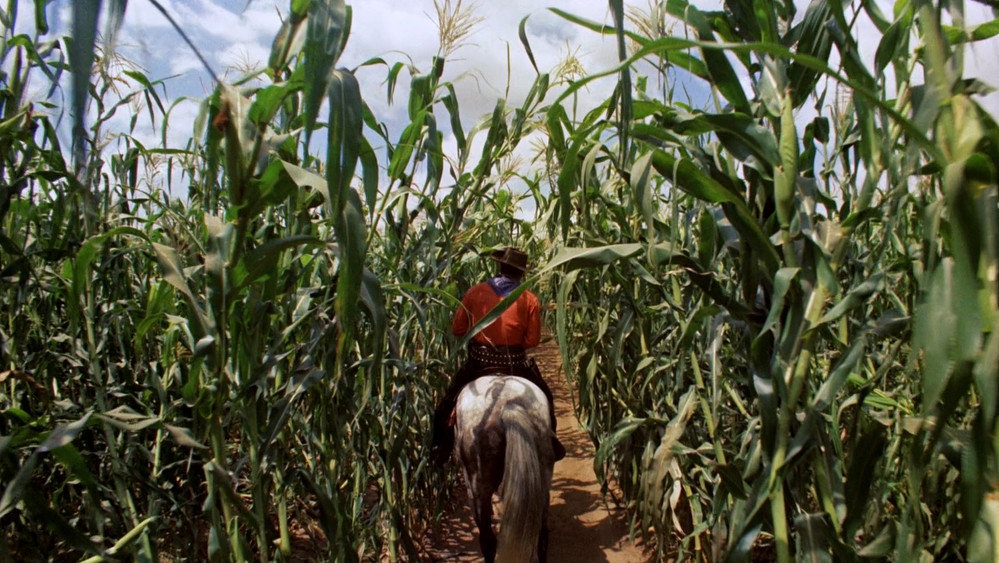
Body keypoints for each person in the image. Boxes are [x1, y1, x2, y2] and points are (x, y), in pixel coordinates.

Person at [431, 247, 567, 465]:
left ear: (500, 267)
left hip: (479, 362)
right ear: (522, 273)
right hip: (515, 363)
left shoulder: (475, 292)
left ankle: (440, 447)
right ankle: (551, 443)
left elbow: (458, 329)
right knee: (546, 399)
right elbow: (532, 340)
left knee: (446, 405)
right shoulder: (529, 298)